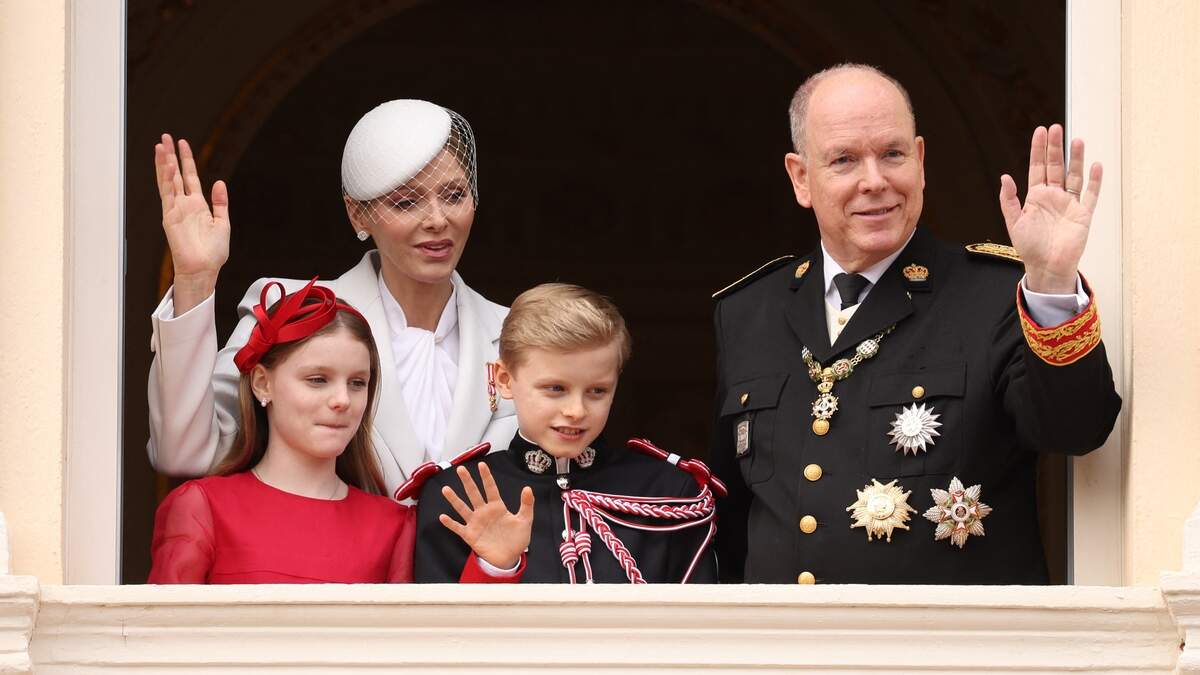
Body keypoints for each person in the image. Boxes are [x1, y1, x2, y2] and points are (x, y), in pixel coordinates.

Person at [710, 63, 1121, 585]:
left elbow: (1076, 429)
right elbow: (726, 512)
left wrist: (1052, 282)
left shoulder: (997, 295)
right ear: (800, 178)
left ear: (921, 161)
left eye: (892, 154)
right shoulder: (748, 311)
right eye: (843, 160)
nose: (875, 181)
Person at [147, 100, 516, 495]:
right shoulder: (292, 308)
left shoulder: (518, 333)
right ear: (358, 215)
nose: (438, 220)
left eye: (455, 195)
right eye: (407, 202)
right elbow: (184, 453)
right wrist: (195, 281)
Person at [148, 281, 532, 583]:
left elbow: (423, 652)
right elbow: (156, 648)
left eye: (357, 383)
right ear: (262, 384)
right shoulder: (202, 507)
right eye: (317, 380)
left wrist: (496, 565)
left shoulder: (394, 525)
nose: (342, 401)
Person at [410, 284, 723, 583]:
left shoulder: (669, 493)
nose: (577, 410)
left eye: (597, 391)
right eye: (555, 388)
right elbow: (442, 635)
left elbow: (699, 631)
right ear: (504, 379)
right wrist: (496, 568)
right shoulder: (457, 495)